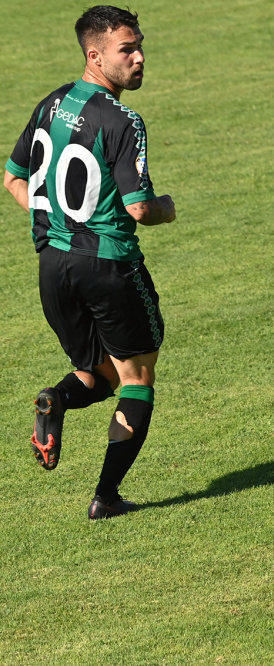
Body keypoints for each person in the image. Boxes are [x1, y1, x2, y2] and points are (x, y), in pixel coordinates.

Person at [4, 6, 176, 520]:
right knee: (137, 378)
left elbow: (13, 177)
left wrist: (57, 222)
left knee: (97, 374)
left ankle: (54, 401)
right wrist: (164, 209)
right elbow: (139, 207)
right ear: (94, 54)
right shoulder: (122, 120)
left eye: (140, 45)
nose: (140, 57)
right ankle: (106, 496)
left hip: (53, 267)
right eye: (128, 49)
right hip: (107, 266)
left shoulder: (50, 104)